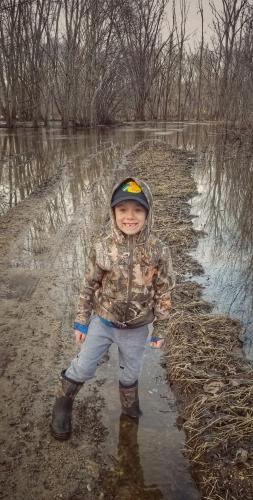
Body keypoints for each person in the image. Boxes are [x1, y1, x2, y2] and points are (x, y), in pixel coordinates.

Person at [51, 177, 175, 440]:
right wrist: (82, 321)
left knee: (131, 373)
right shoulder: (102, 245)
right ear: (113, 212)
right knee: (83, 367)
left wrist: (160, 329)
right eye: (123, 210)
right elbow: (88, 285)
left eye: (138, 210)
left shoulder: (159, 250)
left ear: (148, 213)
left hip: (138, 327)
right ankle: (62, 404)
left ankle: (130, 414)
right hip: (103, 322)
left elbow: (164, 291)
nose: (130, 217)